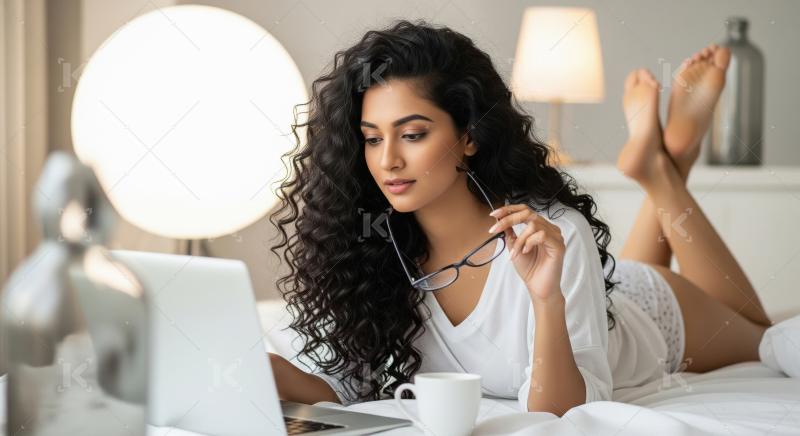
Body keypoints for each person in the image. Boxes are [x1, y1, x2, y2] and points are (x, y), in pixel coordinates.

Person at [267, 20, 773, 416]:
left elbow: (565, 412)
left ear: (469, 135)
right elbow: (342, 385)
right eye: (373, 138)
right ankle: (665, 161)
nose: (388, 161)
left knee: (761, 331)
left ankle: (663, 172)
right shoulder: (372, 250)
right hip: (598, 294)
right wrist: (261, 370)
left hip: (645, 312)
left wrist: (546, 298)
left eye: (413, 134)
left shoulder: (548, 237)